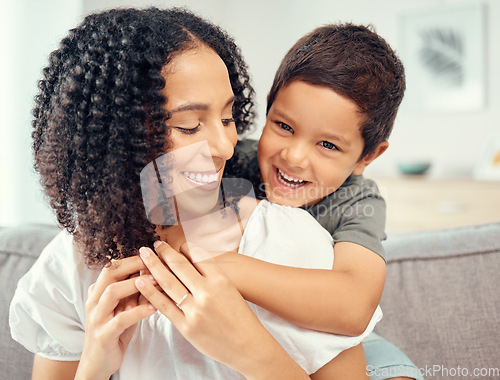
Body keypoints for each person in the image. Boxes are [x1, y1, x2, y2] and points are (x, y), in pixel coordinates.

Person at [9, 7, 379, 380]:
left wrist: (253, 352)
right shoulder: (68, 269)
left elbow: (353, 302)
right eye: (188, 126)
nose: (225, 146)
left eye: (228, 118)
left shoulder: (287, 241)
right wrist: (94, 364)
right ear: (115, 140)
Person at [208, 24, 423, 380]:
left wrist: (223, 267)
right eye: (284, 126)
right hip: (248, 340)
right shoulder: (232, 163)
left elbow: (354, 306)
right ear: (269, 108)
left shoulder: (356, 199)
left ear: (366, 156)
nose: (294, 157)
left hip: (338, 345)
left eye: (328, 145)